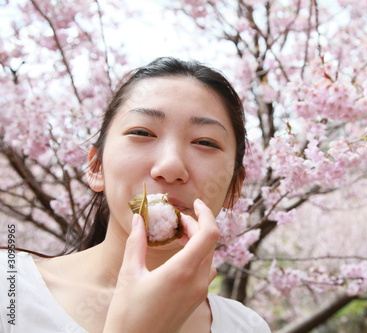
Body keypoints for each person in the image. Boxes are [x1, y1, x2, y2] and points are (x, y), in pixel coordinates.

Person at [0, 57, 271, 332]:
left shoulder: (246, 327)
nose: (170, 166)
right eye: (142, 132)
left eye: (205, 142)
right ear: (96, 167)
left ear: (234, 188)